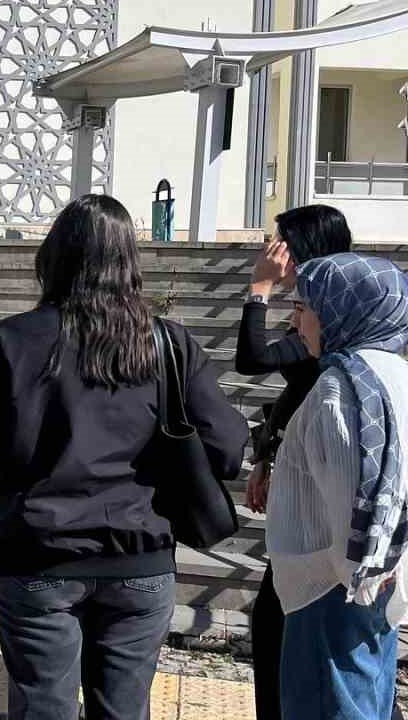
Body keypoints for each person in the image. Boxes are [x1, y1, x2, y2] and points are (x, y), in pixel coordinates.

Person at [0, 195, 248, 720]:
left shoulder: (14, 339)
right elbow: (227, 448)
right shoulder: (166, 344)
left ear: (54, 256)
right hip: (139, 556)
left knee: (42, 708)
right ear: (129, 261)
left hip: (36, 554)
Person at [267, 253, 408, 720]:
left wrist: (358, 577)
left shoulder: (341, 387)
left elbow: (355, 500)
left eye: (305, 307)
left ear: (340, 312)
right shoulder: (395, 373)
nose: (296, 320)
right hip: (378, 581)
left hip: (333, 588)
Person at [234, 204, 358, 720]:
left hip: (327, 501)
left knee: (283, 624)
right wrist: (265, 455)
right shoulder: (317, 310)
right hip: (301, 483)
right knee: (275, 623)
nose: (270, 251)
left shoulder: (332, 316)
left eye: (279, 243)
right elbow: (293, 389)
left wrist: (258, 290)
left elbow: (254, 359)